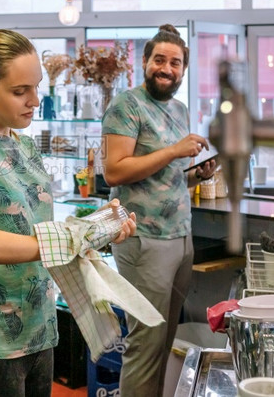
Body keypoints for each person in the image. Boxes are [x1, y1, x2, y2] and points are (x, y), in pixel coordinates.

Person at [0, 29, 136, 396]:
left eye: (36, 87)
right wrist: (66, 241)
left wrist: (95, 228)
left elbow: (32, 230)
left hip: (40, 335)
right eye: (19, 91)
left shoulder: (24, 146)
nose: (34, 100)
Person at [101, 24, 217, 396]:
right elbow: (114, 170)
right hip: (142, 239)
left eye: (175, 62)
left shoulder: (179, 109)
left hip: (180, 236)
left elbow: (166, 178)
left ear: (184, 69)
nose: (166, 68)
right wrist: (173, 151)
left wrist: (196, 175)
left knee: (165, 342)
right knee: (145, 345)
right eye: (159, 60)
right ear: (145, 62)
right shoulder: (126, 105)